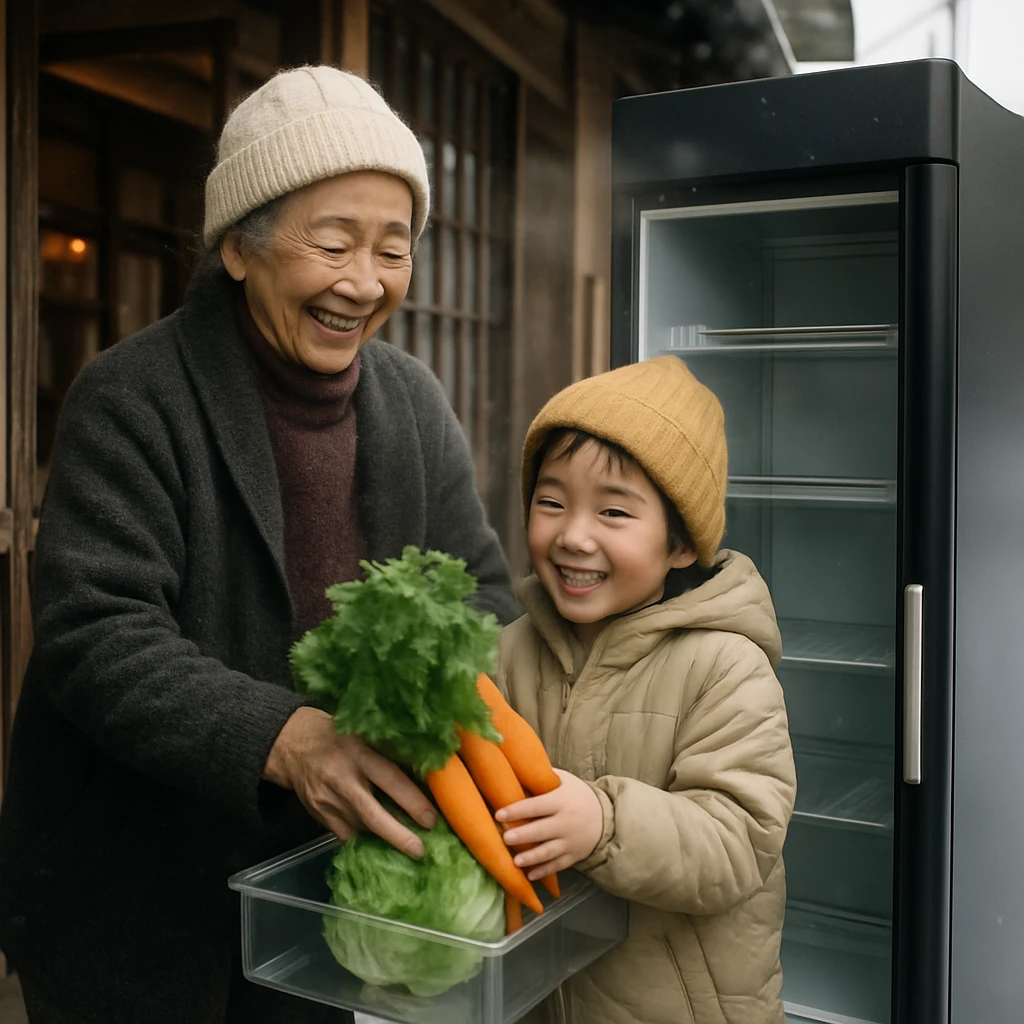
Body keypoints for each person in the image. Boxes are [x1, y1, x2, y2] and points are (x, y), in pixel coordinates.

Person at [0, 66, 517, 1024]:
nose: (364, 282)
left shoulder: (411, 402)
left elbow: (484, 593)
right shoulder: (134, 396)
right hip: (131, 892)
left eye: (393, 249)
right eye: (332, 243)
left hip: (308, 895)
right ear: (240, 246)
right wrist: (286, 738)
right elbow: (95, 630)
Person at [493, 356, 796, 1024]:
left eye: (613, 511)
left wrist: (604, 824)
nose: (574, 535)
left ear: (681, 545)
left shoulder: (724, 666)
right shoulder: (508, 652)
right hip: (542, 1001)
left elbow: (739, 841)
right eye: (551, 502)